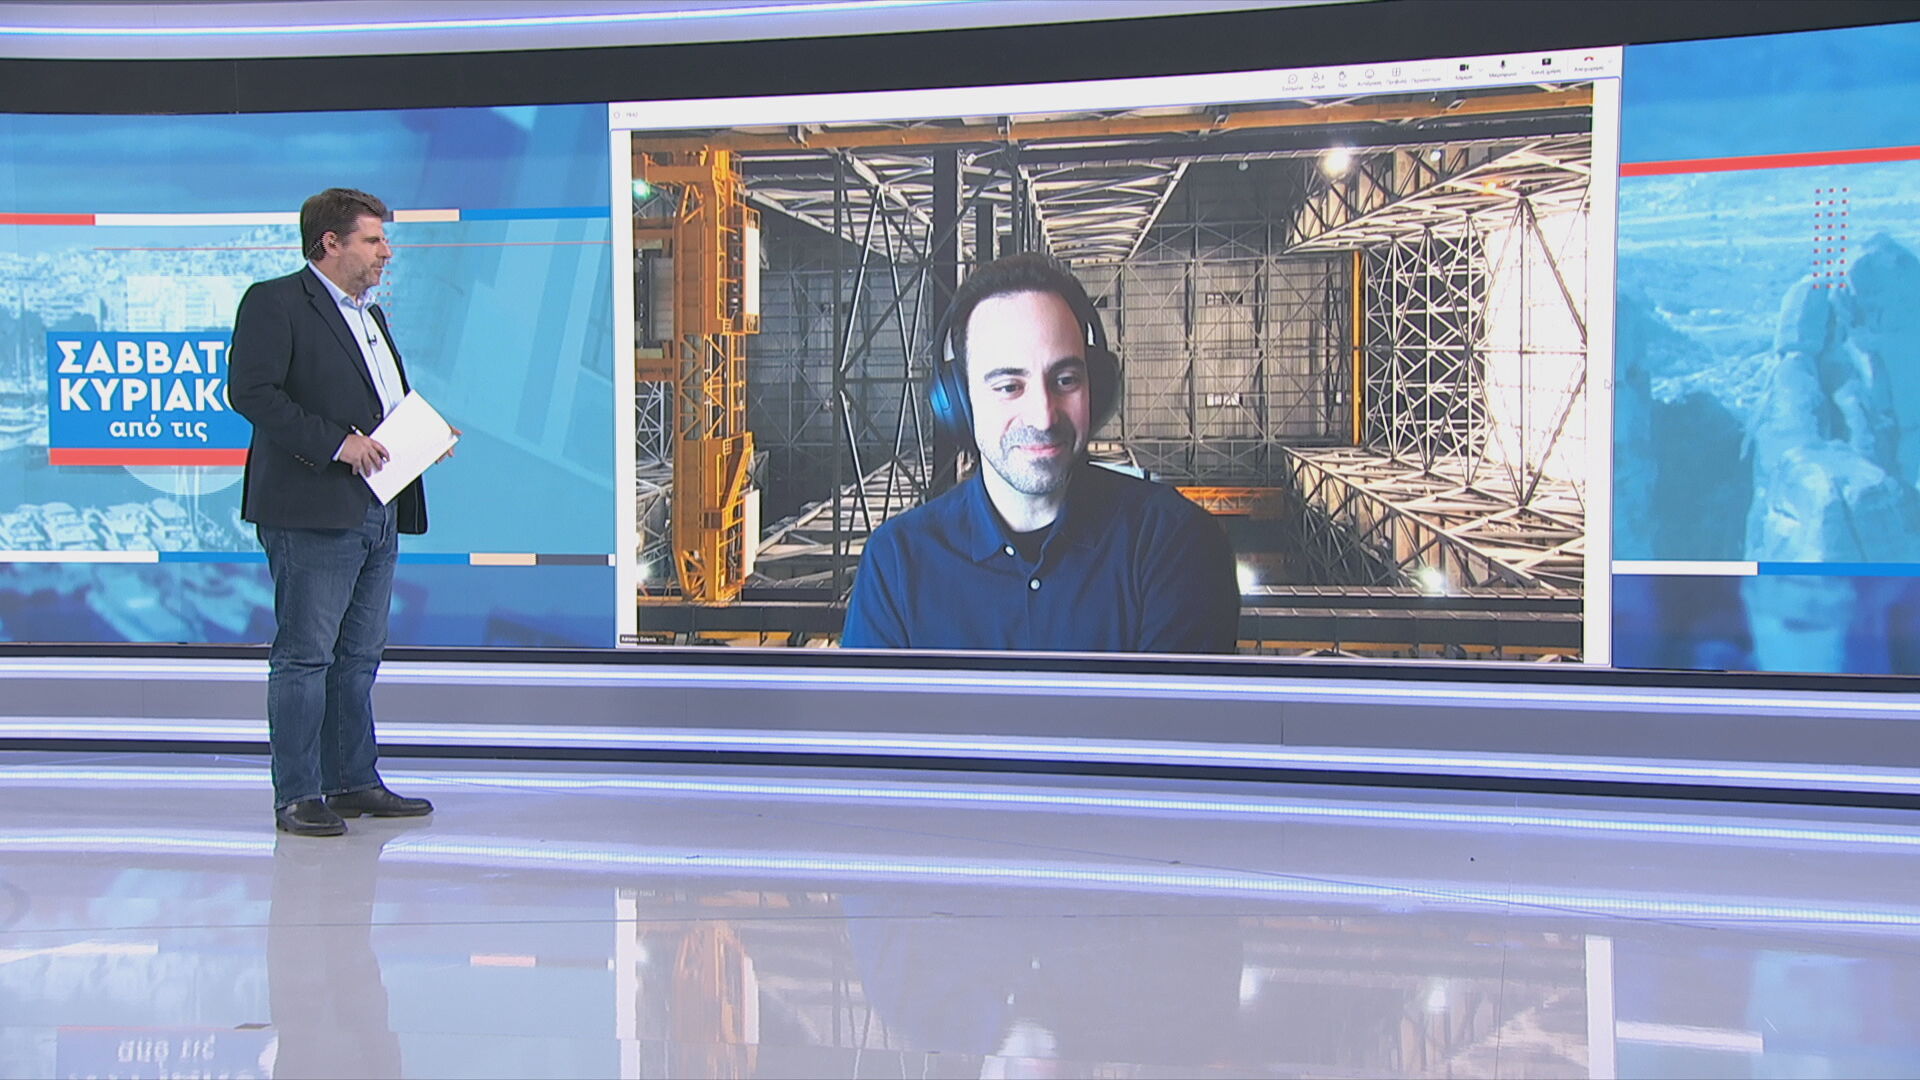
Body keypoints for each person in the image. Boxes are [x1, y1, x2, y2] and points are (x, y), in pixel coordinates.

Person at [841, 252, 1239, 653]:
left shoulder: (1175, 541)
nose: (1044, 416)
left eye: (1065, 380)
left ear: (1095, 389)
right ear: (958, 402)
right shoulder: (896, 563)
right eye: (1009, 387)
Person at [229, 187, 437, 836]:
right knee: (306, 656)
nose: (385, 252)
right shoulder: (276, 302)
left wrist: (424, 435)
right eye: (373, 240)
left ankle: (351, 781)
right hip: (312, 509)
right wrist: (334, 443)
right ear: (330, 243)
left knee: (358, 656)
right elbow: (251, 392)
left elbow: (378, 402)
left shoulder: (370, 316)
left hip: (377, 505)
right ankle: (298, 794)